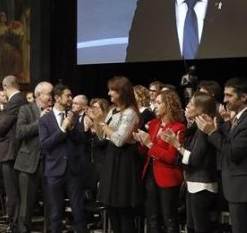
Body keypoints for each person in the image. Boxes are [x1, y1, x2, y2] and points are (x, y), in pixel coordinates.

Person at [195, 77, 247, 233]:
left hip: (244, 191)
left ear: (243, 97)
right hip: (237, 188)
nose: (225, 100)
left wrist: (212, 132)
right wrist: (219, 125)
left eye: (229, 95)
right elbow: (230, 139)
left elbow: (233, 152)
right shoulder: (242, 117)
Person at [162, 91, 219, 233]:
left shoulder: (203, 129)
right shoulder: (195, 128)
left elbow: (195, 159)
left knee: (200, 227)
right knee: (191, 226)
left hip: (202, 185)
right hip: (193, 183)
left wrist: (177, 145)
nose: (187, 106)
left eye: (191, 104)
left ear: (201, 109)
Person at [93, 76, 142, 233]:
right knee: (111, 207)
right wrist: (97, 121)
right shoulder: (113, 110)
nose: (109, 93)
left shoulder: (130, 113)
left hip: (124, 163)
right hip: (111, 160)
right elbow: (103, 137)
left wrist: (104, 126)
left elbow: (119, 140)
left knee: (123, 208)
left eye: (113, 90)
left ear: (122, 92)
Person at [39, 84, 89, 233]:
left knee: (79, 212)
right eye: (68, 95)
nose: (70, 98)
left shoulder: (74, 116)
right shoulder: (44, 120)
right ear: (57, 98)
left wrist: (71, 127)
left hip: (73, 170)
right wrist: (62, 129)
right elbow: (44, 145)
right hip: (54, 170)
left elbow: (82, 139)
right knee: (55, 213)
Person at [134, 90, 185, 233]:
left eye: (158, 102)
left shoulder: (178, 127)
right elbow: (146, 152)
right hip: (150, 174)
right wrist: (141, 142)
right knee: (151, 217)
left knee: (169, 218)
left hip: (167, 176)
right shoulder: (153, 124)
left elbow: (171, 158)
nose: (154, 106)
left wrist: (150, 144)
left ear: (168, 105)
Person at [0, 75, 28, 232]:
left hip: (10, 152)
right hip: (13, 151)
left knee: (13, 193)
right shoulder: (20, 100)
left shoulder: (14, 101)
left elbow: (0, 129)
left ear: (5, 87)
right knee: (14, 192)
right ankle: (15, 223)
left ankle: (15, 225)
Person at [14, 81, 53, 233]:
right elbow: (20, 132)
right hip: (28, 163)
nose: (52, 97)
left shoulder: (54, 111)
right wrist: (40, 121)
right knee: (26, 203)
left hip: (49, 163)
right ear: (39, 95)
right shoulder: (26, 109)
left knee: (51, 203)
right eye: (49, 94)